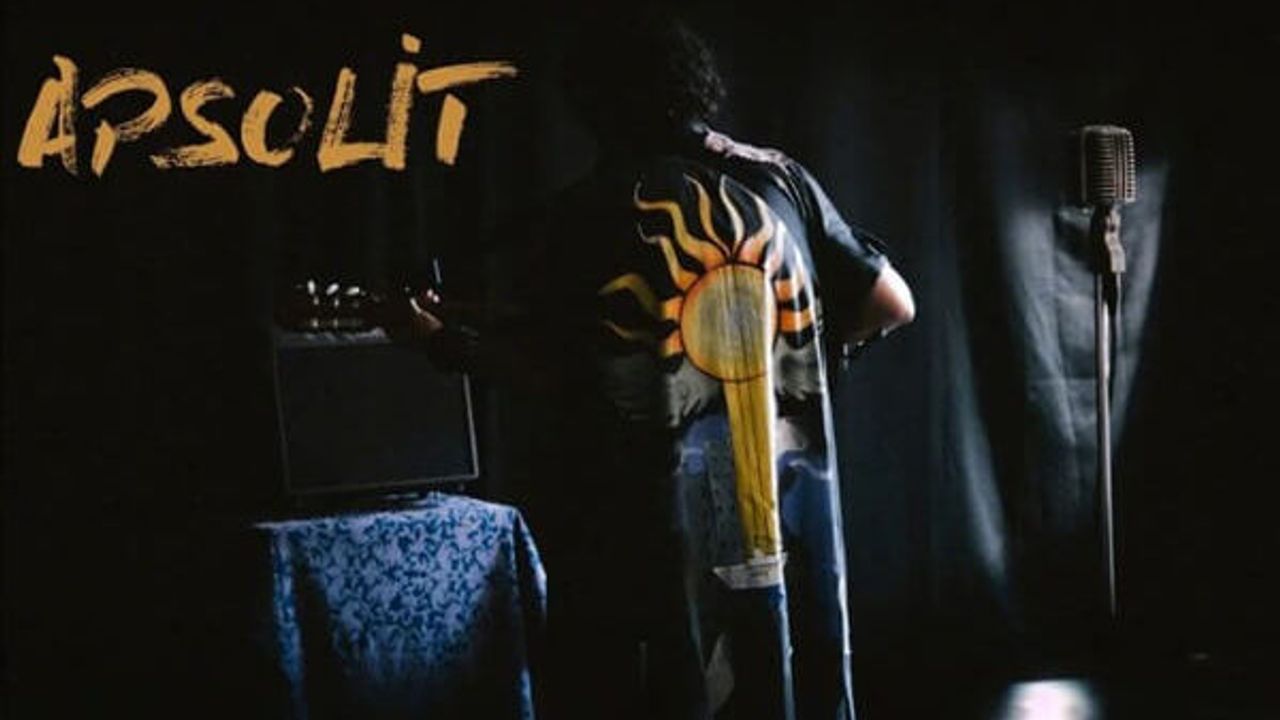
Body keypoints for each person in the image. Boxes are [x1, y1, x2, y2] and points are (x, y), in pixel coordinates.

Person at [381, 10, 913, 719]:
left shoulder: (592, 209)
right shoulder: (780, 177)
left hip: (653, 540)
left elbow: (559, 375)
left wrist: (441, 340)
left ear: (592, 103)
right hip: (787, 511)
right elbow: (893, 303)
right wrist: (794, 352)